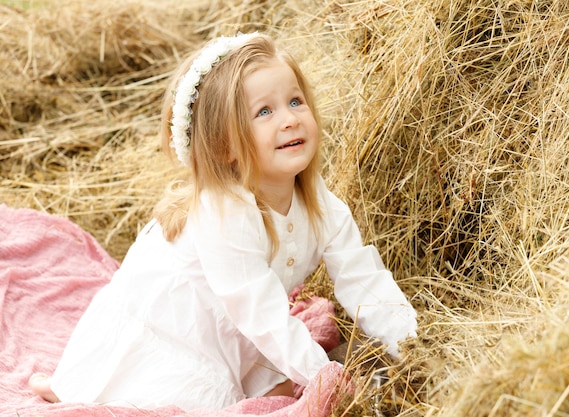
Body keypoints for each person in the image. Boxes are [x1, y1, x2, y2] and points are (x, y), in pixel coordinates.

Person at [29, 32, 418, 411]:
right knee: (181, 400)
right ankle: (76, 384)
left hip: (235, 325)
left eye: (296, 101)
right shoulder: (225, 210)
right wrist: (326, 376)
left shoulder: (321, 204)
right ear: (225, 145)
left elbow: (363, 279)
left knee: (280, 377)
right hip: (176, 326)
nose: (289, 119)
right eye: (264, 112)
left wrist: (413, 346)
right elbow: (261, 313)